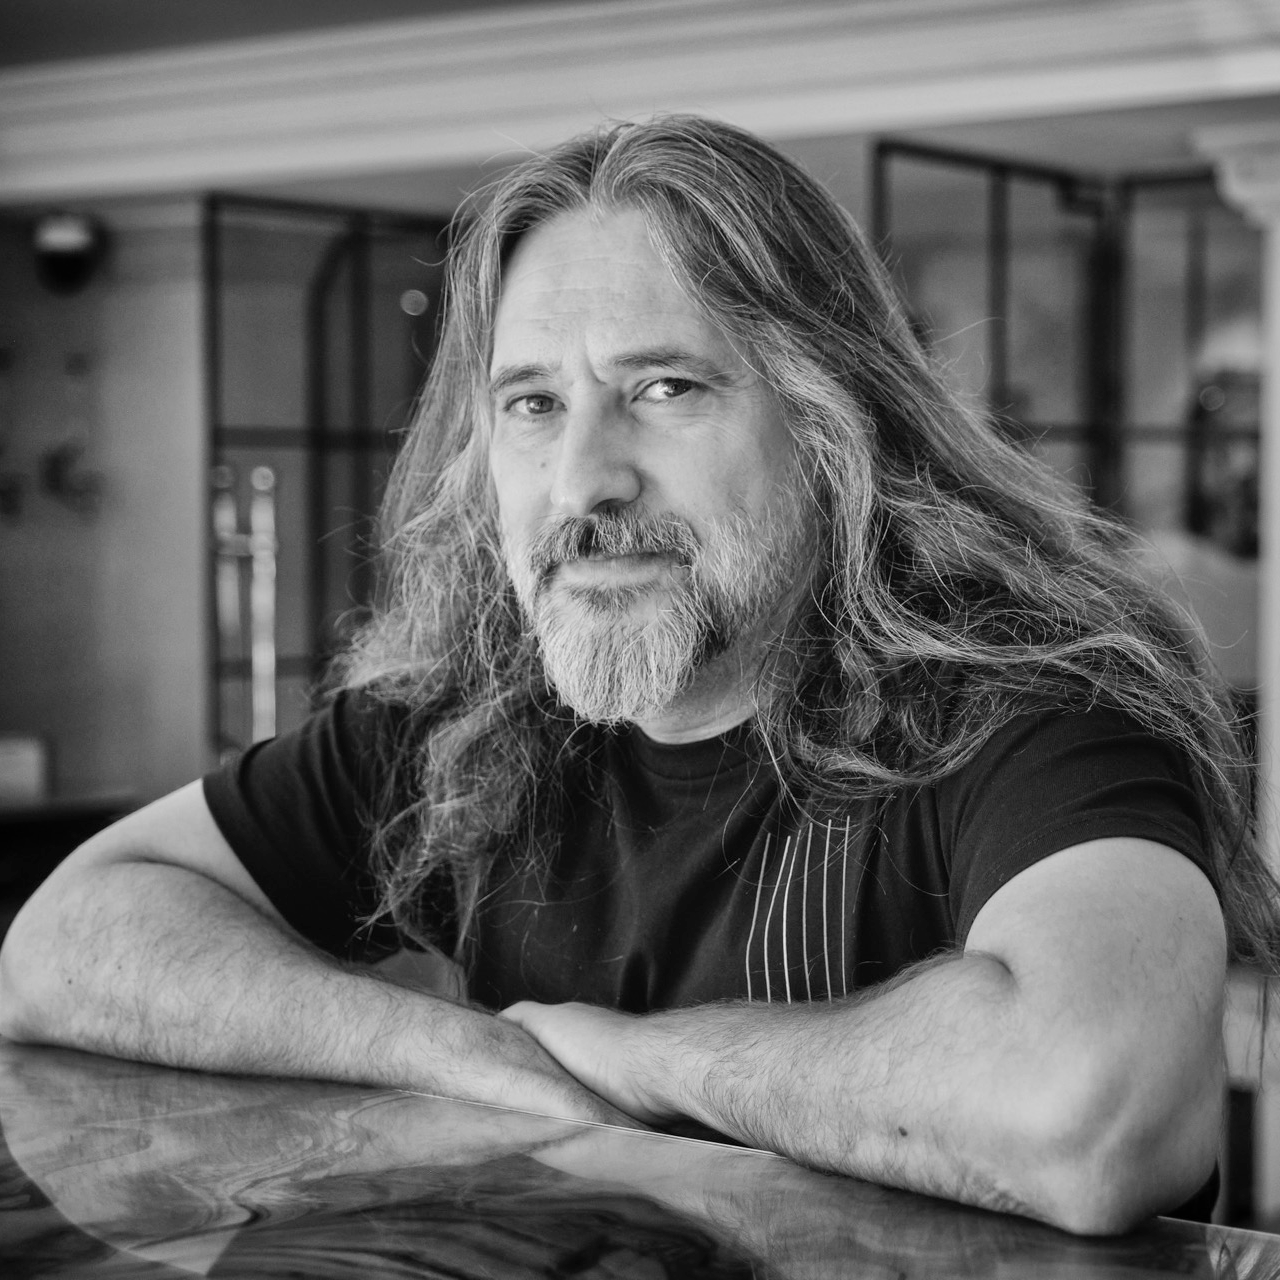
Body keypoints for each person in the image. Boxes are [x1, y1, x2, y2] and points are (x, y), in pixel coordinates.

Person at [0, 115, 1272, 1235]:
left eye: (662, 387)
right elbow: (64, 942)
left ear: (832, 426)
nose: (582, 480)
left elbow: (1098, 1117)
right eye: (532, 404)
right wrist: (456, 1053)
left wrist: (634, 1060)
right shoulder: (464, 721)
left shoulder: (1033, 711)